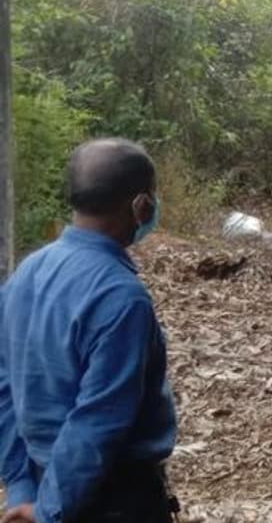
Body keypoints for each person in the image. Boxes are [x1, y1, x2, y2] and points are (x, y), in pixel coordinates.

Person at [0, 139, 179, 523]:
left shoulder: (28, 273)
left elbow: (5, 388)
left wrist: (23, 489)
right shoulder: (121, 297)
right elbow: (99, 420)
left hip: (43, 484)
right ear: (140, 206)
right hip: (111, 499)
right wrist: (49, 511)